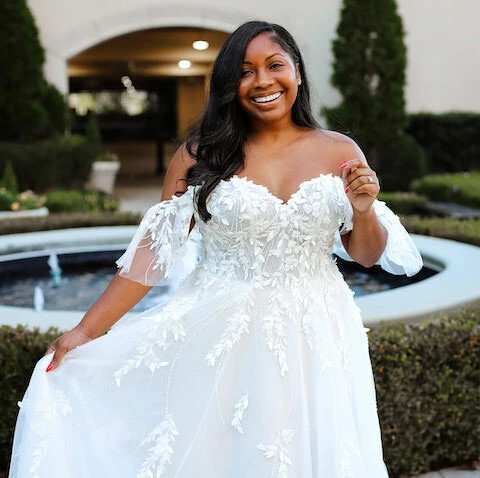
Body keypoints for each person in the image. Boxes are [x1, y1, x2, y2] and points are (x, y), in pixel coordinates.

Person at [9, 20, 422, 478]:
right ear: (229, 85)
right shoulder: (200, 154)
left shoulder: (339, 150)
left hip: (319, 330)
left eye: (274, 65)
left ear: (298, 73)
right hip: (222, 331)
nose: (262, 81)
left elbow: (366, 255)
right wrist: (85, 332)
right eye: (245, 71)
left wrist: (363, 210)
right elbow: (151, 257)